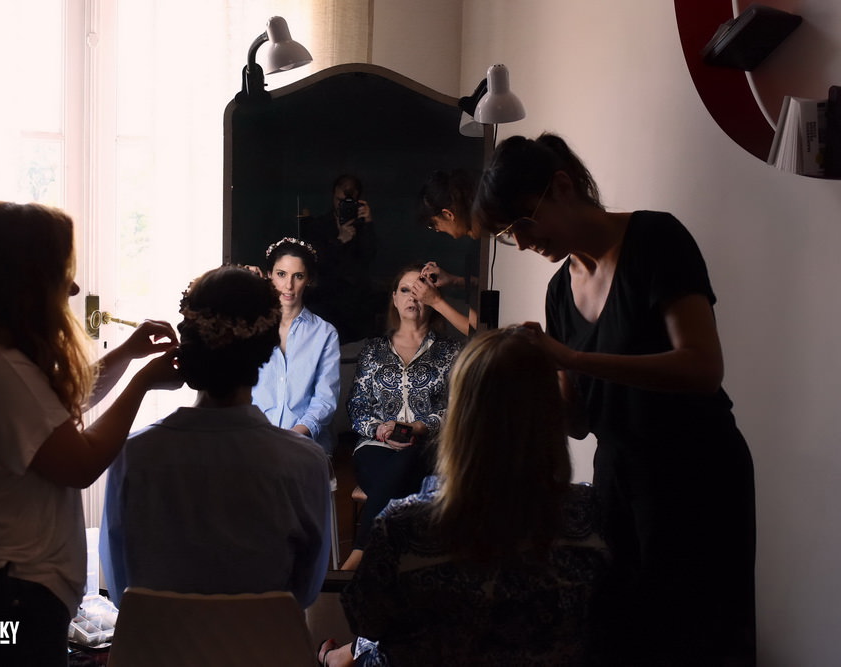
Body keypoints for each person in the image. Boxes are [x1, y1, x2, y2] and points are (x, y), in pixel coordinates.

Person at [473, 133, 757, 665]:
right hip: (620, 481)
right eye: (509, 233)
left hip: (696, 471)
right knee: (622, 637)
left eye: (523, 222)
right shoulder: (561, 290)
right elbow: (578, 420)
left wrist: (573, 359)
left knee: (698, 639)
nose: (522, 241)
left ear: (561, 187)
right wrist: (520, 374)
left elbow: (702, 367)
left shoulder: (656, 238)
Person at [0, 201, 180, 667]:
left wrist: (126, 354)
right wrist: (143, 383)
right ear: (24, 280)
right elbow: (81, 463)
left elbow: (50, 410)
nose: (75, 286)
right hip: (3, 597)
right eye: (62, 270)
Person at [320, 327, 609, 667]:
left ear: (460, 416)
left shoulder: (405, 526)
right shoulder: (593, 516)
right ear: (551, 413)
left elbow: (367, 620)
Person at [100, 266, 332, 610]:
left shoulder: (133, 454)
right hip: (263, 647)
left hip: (157, 649)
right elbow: (306, 592)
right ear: (268, 351)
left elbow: (121, 591)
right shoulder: (304, 462)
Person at [342, 264, 463, 571]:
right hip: (375, 446)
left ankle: (359, 554)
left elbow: (457, 406)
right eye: (405, 290)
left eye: (420, 290)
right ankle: (406, 569)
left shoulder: (450, 351)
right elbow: (357, 406)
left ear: (431, 297)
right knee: (397, 475)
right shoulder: (373, 349)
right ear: (394, 298)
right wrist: (379, 429)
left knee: (409, 457)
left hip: (427, 447)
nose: (413, 297)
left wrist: (422, 426)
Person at [249, 237, 341, 453]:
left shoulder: (324, 333)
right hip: (254, 439)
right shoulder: (249, 327)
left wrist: (291, 438)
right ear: (269, 274)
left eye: (297, 276)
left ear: (308, 279)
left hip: (304, 444)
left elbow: (324, 401)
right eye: (281, 274)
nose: (288, 285)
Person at [302, 174, 379, 343]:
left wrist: (368, 223)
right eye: (339, 200)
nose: (342, 205)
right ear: (333, 195)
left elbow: (370, 255)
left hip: (356, 304)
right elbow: (314, 260)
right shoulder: (318, 226)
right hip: (326, 301)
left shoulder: (362, 225)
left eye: (348, 201)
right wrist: (339, 240)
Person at [412, 169, 482, 336]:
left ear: (448, 214)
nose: (437, 230)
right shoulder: (487, 242)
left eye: (434, 224)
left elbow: (477, 331)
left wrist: (436, 301)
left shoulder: (479, 253)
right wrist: (454, 280)